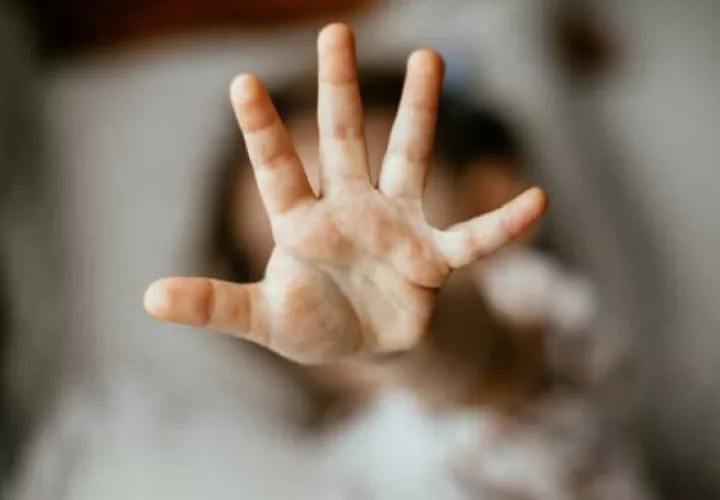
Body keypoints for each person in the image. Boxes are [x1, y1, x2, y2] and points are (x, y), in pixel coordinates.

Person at [144, 23, 653, 499]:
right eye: (277, 255)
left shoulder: (546, 310)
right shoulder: (339, 460)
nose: (326, 267)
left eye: (366, 210)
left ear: (490, 198)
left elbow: (495, 370)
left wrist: (414, 341)